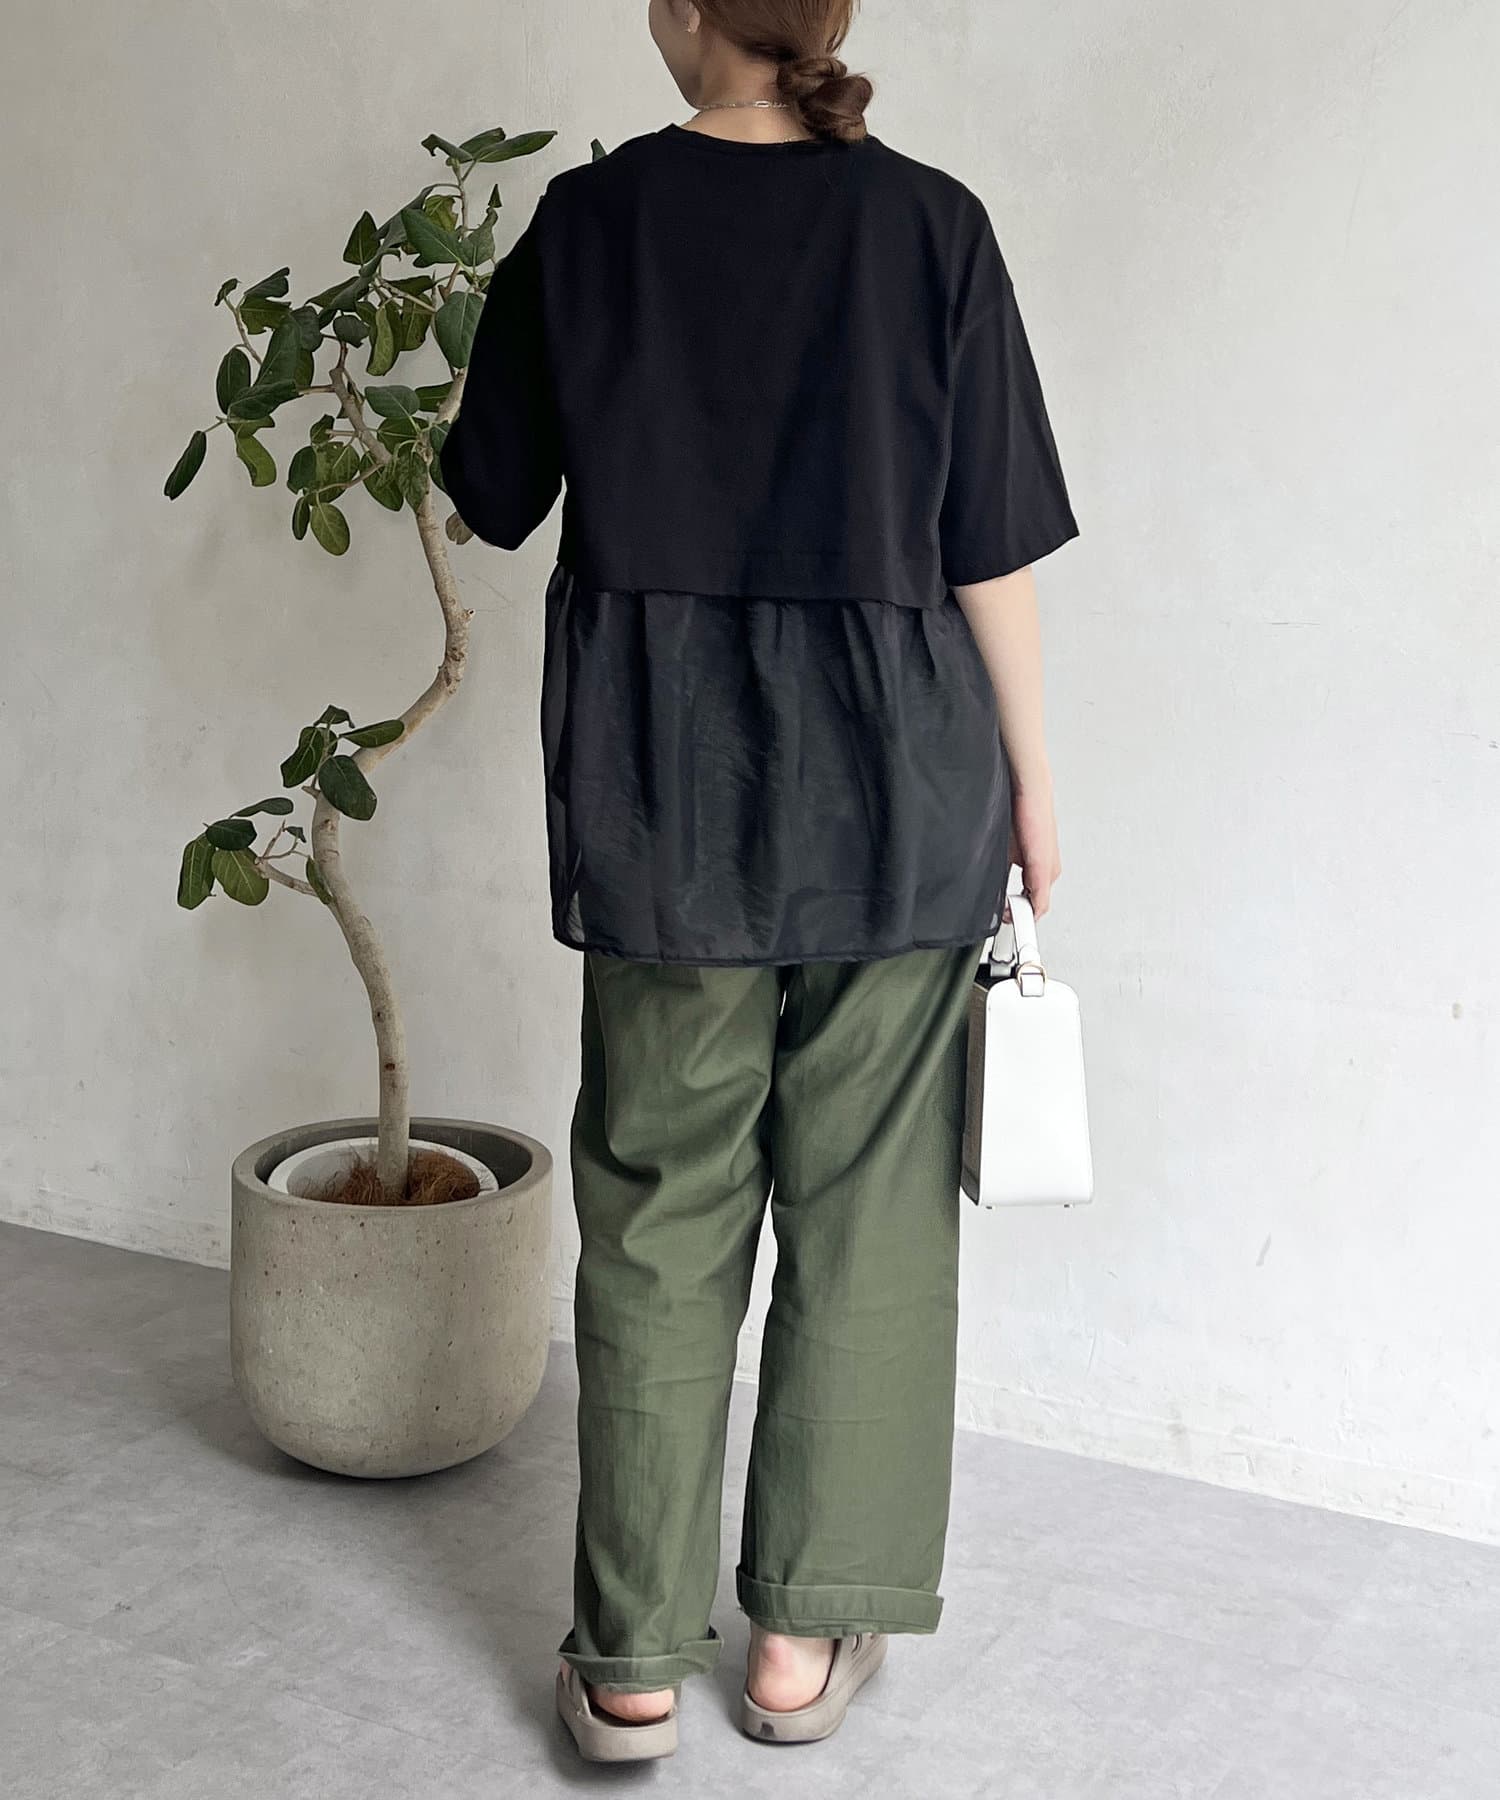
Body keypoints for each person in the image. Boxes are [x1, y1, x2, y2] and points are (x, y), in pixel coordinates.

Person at [439, 0, 1077, 1763]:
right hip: (902, 787)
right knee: (870, 1208)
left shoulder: (590, 223)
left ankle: (633, 1660)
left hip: (667, 790)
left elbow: (489, 492)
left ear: (679, 8)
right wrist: (1034, 780)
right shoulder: (933, 224)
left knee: (659, 1201)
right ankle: (799, 1643)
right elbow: (991, 547)